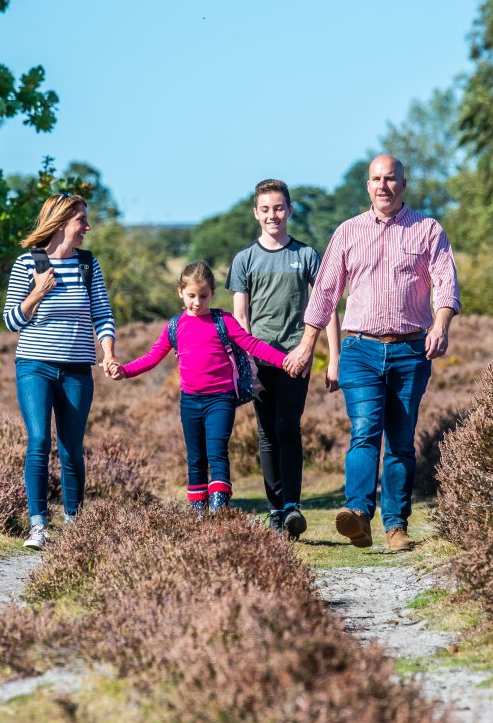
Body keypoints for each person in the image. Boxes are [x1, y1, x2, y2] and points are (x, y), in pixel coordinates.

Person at [284, 154, 460, 551]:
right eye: (376, 179)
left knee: (400, 440)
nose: (383, 186)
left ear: (403, 184)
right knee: (364, 432)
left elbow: (445, 282)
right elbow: (325, 292)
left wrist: (441, 324)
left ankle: (396, 526)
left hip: (410, 351)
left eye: (391, 179)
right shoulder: (348, 232)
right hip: (359, 350)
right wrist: (308, 344)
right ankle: (358, 513)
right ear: (368, 185)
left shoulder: (428, 230)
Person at [109, 262, 289, 515]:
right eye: (191, 295)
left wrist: (285, 361)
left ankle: (218, 510)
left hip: (220, 400)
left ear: (212, 293)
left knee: (216, 452)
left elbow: (252, 344)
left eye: (203, 296)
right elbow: (152, 357)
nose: (197, 302)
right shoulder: (174, 326)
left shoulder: (223, 320)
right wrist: (124, 370)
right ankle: (198, 512)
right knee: (195, 459)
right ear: (180, 292)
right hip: (190, 402)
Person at [227, 179, 340, 540]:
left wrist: (331, 357)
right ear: (256, 213)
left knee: (288, 426)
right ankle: (275, 510)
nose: (272, 215)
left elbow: (327, 308)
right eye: (265, 209)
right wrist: (247, 364)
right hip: (259, 360)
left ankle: (293, 506)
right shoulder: (244, 260)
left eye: (279, 208)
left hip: (297, 356)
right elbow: (240, 320)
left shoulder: (306, 256)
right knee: (266, 433)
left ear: (289, 211)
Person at [2, 192, 117, 550]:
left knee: (71, 449)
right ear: (61, 221)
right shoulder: (27, 264)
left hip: (77, 370)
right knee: (38, 441)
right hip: (34, 365)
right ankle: (37, 525)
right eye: (81, 220)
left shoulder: (88, 265)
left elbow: (103, 315)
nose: (87, 227)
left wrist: (108, 353)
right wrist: (37, 292)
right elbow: (11, 320)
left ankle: (74, 523)